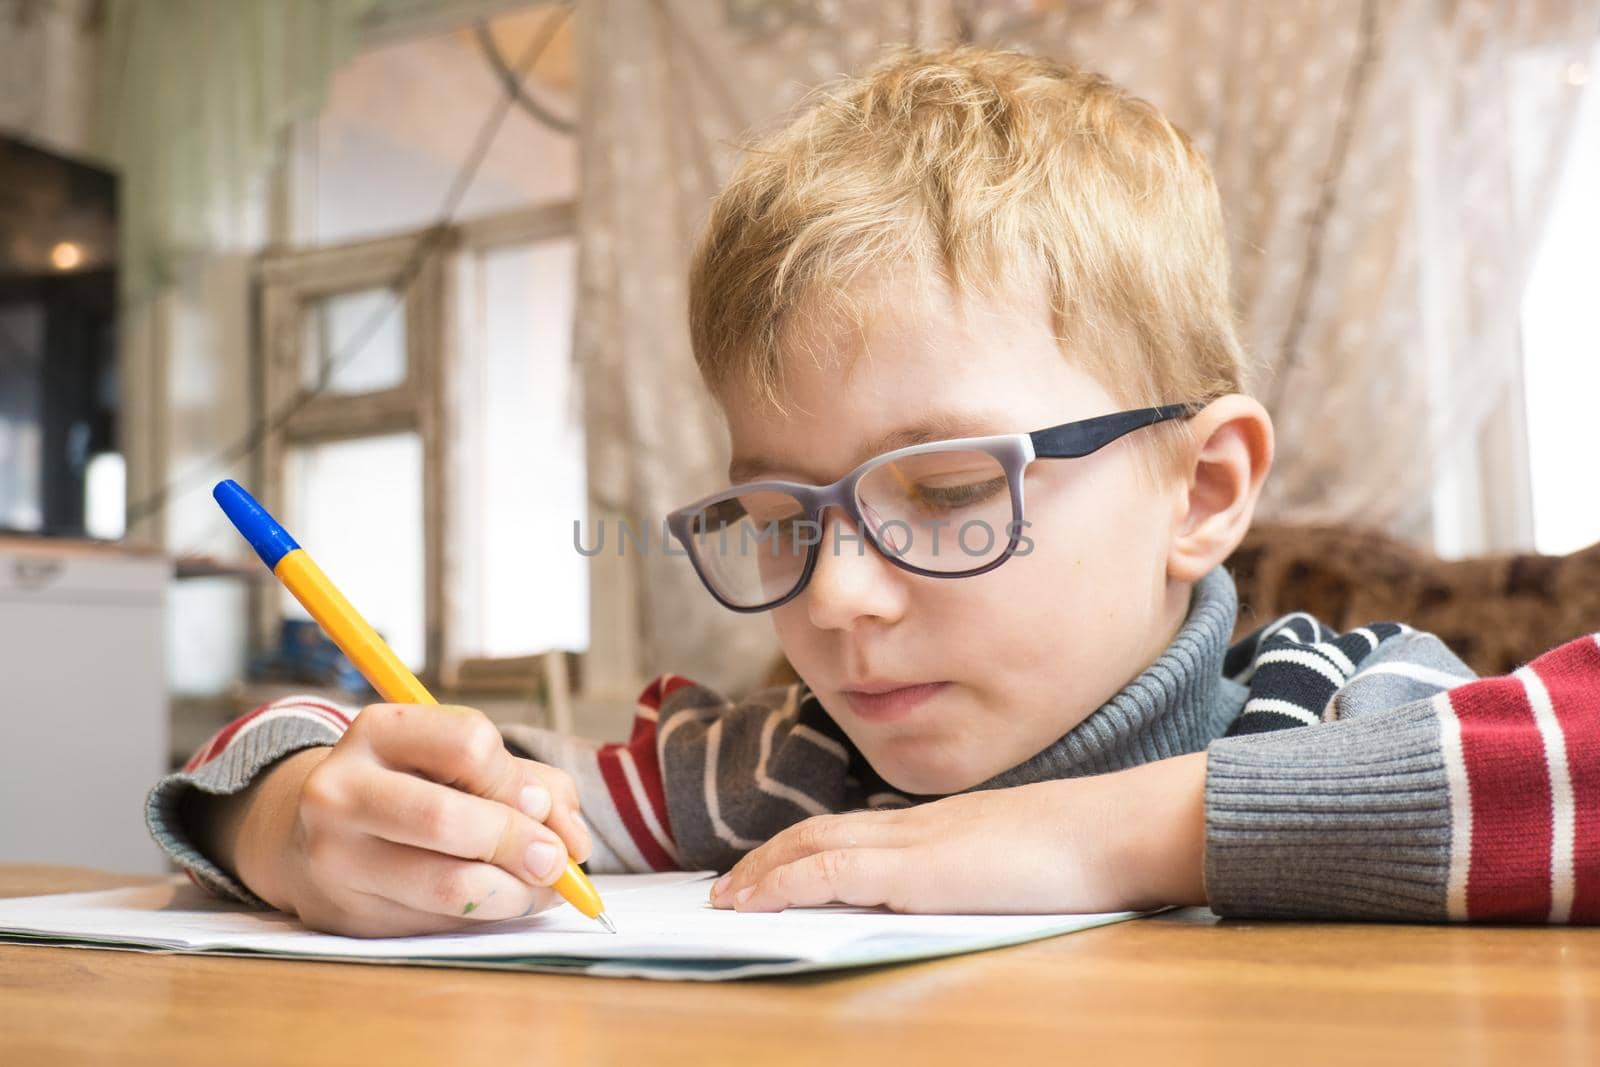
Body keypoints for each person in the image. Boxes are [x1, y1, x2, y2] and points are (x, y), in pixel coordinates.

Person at [149, 47, 1600, 936]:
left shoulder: (1350, 706)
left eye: (952, 489)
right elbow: (431, 760)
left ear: (1201, 489)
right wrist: (284, 818)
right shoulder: (791, 767)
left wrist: (1093, 833)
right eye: (783, 518)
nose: (835, 602)